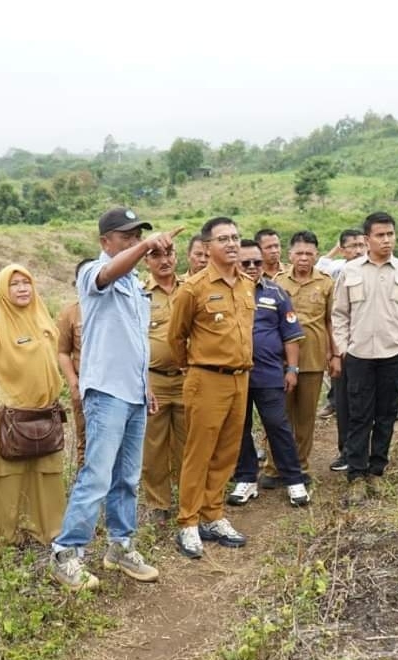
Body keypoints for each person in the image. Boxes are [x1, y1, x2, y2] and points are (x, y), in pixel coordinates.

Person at [50, 207, 177, 590]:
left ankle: (120, 546)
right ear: (106, 241)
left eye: (139, 235)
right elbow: (109, 272)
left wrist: (146, 386)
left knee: (127, 478)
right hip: (105, 393)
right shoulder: (93, 272)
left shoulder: (136, 284)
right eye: (127, 236)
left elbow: (133, 342)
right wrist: (144, 249)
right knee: (97, 475)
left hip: (133, 392)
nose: (135, 241)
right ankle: (66, 553)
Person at [0, 265, 67, 554]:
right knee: (0, 483)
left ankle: (47, 533)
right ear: (2, 291)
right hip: (5, 418)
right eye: (14, 284)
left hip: (43, 416)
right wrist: (8, 390)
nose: (22, 289)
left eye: (26, 283)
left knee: (45, 477)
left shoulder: (44, 323)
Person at [168, 217, 256, 559]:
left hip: (240, 378)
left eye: (235, 236)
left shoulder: (247, 284)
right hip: (206, 378)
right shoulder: (194, 288)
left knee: (227, 451)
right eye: (223, 239)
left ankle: (213, 514)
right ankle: (188, 522)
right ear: (207, 247)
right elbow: (176, 336)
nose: (232, 243)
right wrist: (191, 366)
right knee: (199, 451)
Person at [332, 212, 398, 504]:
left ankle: (376, 470)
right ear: (367, 239)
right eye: (380, 235)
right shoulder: (350, 271)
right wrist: (343, 348)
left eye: (390, 234)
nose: (386, 240)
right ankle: (356, 475)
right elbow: (339, 314)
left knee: (386, 415)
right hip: (358, 355)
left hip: (393, 354)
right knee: (359, 415)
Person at [227, 240, 310, 508]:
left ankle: (293, 480)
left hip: (269, 373)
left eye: (257, 262)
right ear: (235, 263)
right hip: (234, 375)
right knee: (239, 427)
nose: (252, 267)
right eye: (245, 263)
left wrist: (293, 369)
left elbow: (291, 335)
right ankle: (246, 478)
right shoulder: (225, 293)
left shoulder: (277, 293)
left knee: (277, 425)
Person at [273, 230, 335, 482]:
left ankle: (300, 466)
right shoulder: (277, 282)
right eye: (299, 253)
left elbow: (331, 321)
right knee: (279, 415)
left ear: (316, 255)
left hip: (313, 358)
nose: (303, 258)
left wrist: (334, 355)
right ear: (290, 255)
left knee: (306, 416)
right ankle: (276, 466)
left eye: (309, 253)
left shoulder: (326, 283)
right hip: (280, 360)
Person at [141, 243, 186, 526]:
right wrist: (142, 384)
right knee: (154, 446)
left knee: (188, 443)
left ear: (176, 257)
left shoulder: (190, 289)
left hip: (188, 380)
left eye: (168, 254)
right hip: (154, 380)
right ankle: (158, 504)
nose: (164, 260)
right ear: (146, 262)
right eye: (156, 255)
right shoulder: (139, 294)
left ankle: (188, 499)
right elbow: (134, 342)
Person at [56, 258, 95, 468]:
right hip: (84, 386)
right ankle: (87, 492)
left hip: (113, 385)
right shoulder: (70, 313)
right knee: (86, 440)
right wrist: (73, 383)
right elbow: (62, 352)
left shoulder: (115, 308)